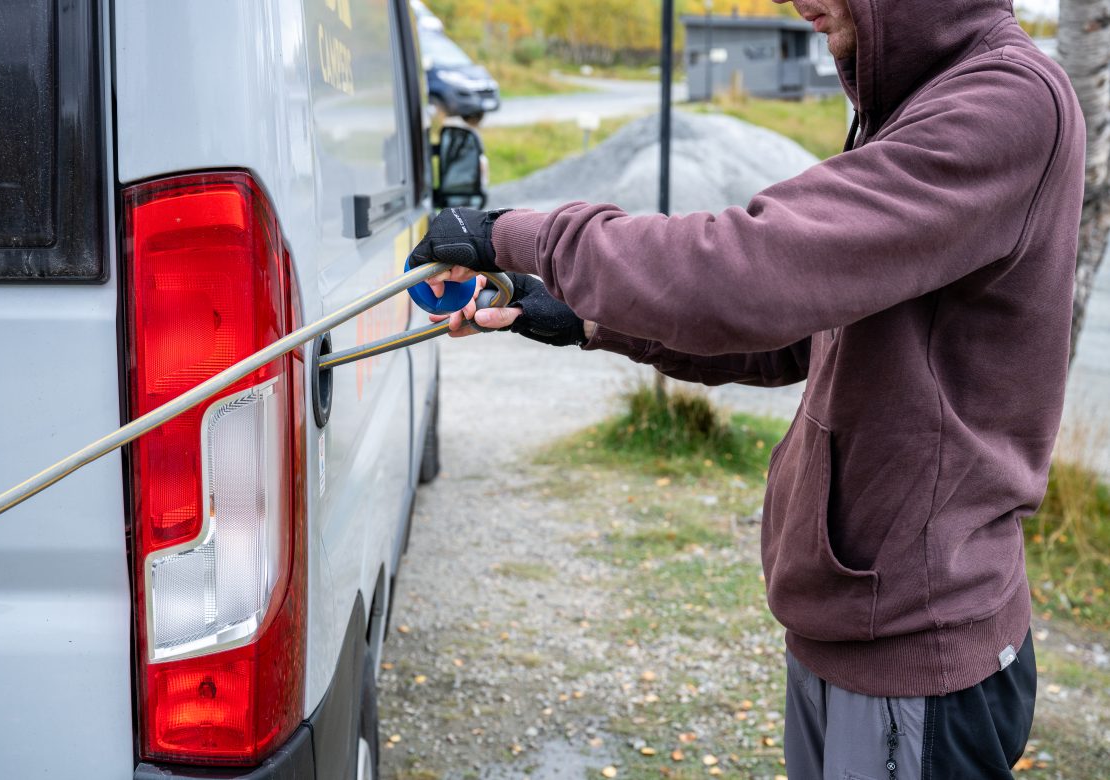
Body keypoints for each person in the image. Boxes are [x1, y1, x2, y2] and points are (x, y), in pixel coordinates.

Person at [410, 0, 1086, 777]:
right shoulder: (919, 100)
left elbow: (749, 271)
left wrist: (518, 234)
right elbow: (800, 333)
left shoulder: (1005, 99)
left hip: (914, 644)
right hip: (855, 616)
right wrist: (588, 320)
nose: (797, 2)